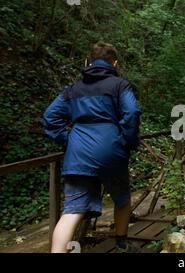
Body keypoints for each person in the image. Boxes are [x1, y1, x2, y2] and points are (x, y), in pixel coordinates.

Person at [43, 42, 141, 253]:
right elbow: (131, 112)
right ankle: (122, 244)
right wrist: (128, 141)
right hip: (111, 151)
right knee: (122, 199)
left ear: (88, 62)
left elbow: (50, 117)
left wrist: (68, 141)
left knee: (72, 210)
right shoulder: (119, 85)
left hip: (78, 153)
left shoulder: (73, 89)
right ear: (114, 63)